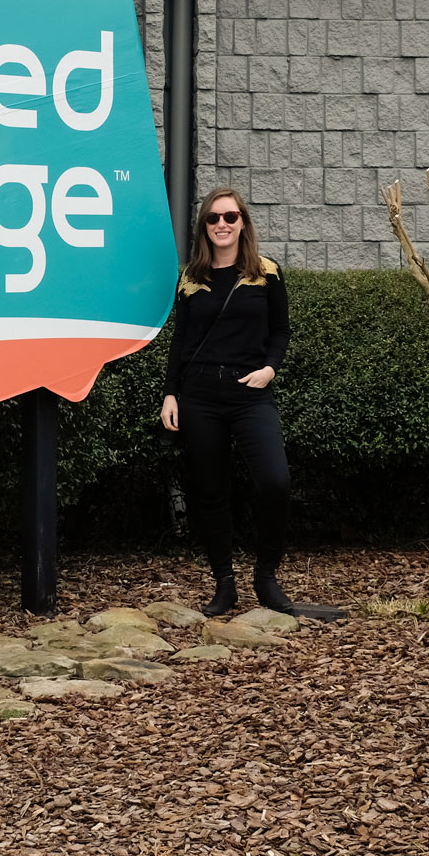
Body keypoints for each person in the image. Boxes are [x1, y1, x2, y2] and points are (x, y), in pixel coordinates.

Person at [160, 188, 295, 617]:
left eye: (230, 217)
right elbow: (181, 341)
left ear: (243, 223)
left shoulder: (266, 272)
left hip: (250, 393)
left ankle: (266, 577)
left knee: (276, 481)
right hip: (200, 395)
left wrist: (270, 368)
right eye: (213, 218)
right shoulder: (191, 278)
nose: (222, 224)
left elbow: (280, 331)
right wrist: (170, 393)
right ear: (204, 227)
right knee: (210, 492)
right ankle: (224, 583)